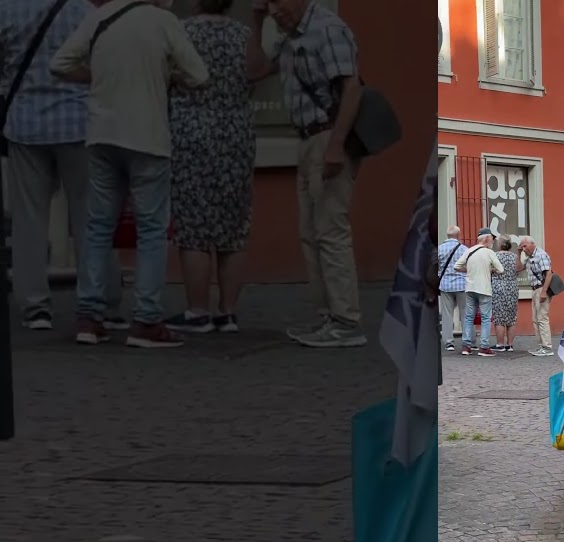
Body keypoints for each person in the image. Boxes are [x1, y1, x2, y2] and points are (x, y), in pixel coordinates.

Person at [52, 0, 209, 348]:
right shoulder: (163, 21)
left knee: (97, 227)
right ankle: (146, 320)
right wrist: (166, 74)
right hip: (147, 137)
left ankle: (89, 318)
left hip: (102, 134)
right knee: (152, 230)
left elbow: (59, 63)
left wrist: (98, 75)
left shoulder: (99, 18)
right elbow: (200, 75)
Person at [2, 0, 127, 332]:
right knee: (91, 215)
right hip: (78, 123)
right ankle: (101, 302)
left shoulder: (7, 9)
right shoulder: (83, 9)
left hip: (25, 124)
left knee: (28, 219)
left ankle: (34, 307)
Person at [247, 0, 366, 348]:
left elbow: (352, 87)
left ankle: (347, 322)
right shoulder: (287, 36)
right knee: (311, 233)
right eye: (268, 5)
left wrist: (336, 146)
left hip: (329, 135)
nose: (274, 11)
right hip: (306, 138)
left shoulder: (327, 29)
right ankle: (330, 316)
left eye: (277, 3)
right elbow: (253, 70)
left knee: (330, 230)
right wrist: (256, 23)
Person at [165, 0, 255, 334]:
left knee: (195, 229)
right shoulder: (245, 36)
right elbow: (258, 72)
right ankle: (228, 312)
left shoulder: (180, 32)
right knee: (234, 227)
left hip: (190, 134)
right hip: (236, 135)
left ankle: (197, 310)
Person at [456, 228, 503, 357]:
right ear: (487, 239)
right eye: (492, 239)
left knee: (469, 317)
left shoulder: (469, 251)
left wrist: (470, 271)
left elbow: (457, 266)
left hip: (470, 287)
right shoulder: (489, 252)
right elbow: (500, 269)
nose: (492, 242)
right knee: (486, 318)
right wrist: (490, 270)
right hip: (484, 289)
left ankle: (466, 346)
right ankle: (484, 347)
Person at [516, 236, 554, 357]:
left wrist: (544, 291)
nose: (523, 249)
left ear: (532, 244)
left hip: (541, 288)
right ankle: (542, 346)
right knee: (536, 319)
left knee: (542, 318)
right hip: (534, 289)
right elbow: (518, 268)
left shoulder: (541, 255)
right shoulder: (529, 257)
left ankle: (547, 347)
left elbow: (549, 274)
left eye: (525, 246)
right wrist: (518, 253)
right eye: (522, 247)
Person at [436, 225, 467, 351]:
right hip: (462, 284)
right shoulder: (464, 249)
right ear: (458, 235)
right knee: (465, 314)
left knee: (447, 314)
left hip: (445, 285)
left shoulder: (439, 249)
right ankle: (467, 341)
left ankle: (448, 342)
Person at [491, 235, 518, 351]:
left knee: (499, 317)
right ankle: (510, 344)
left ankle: (500, 344)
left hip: (498, 287)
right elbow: (519, 268)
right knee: (512, 317)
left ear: (500, 244)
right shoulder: (515, 257)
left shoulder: (495, 256)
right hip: (512, 287)